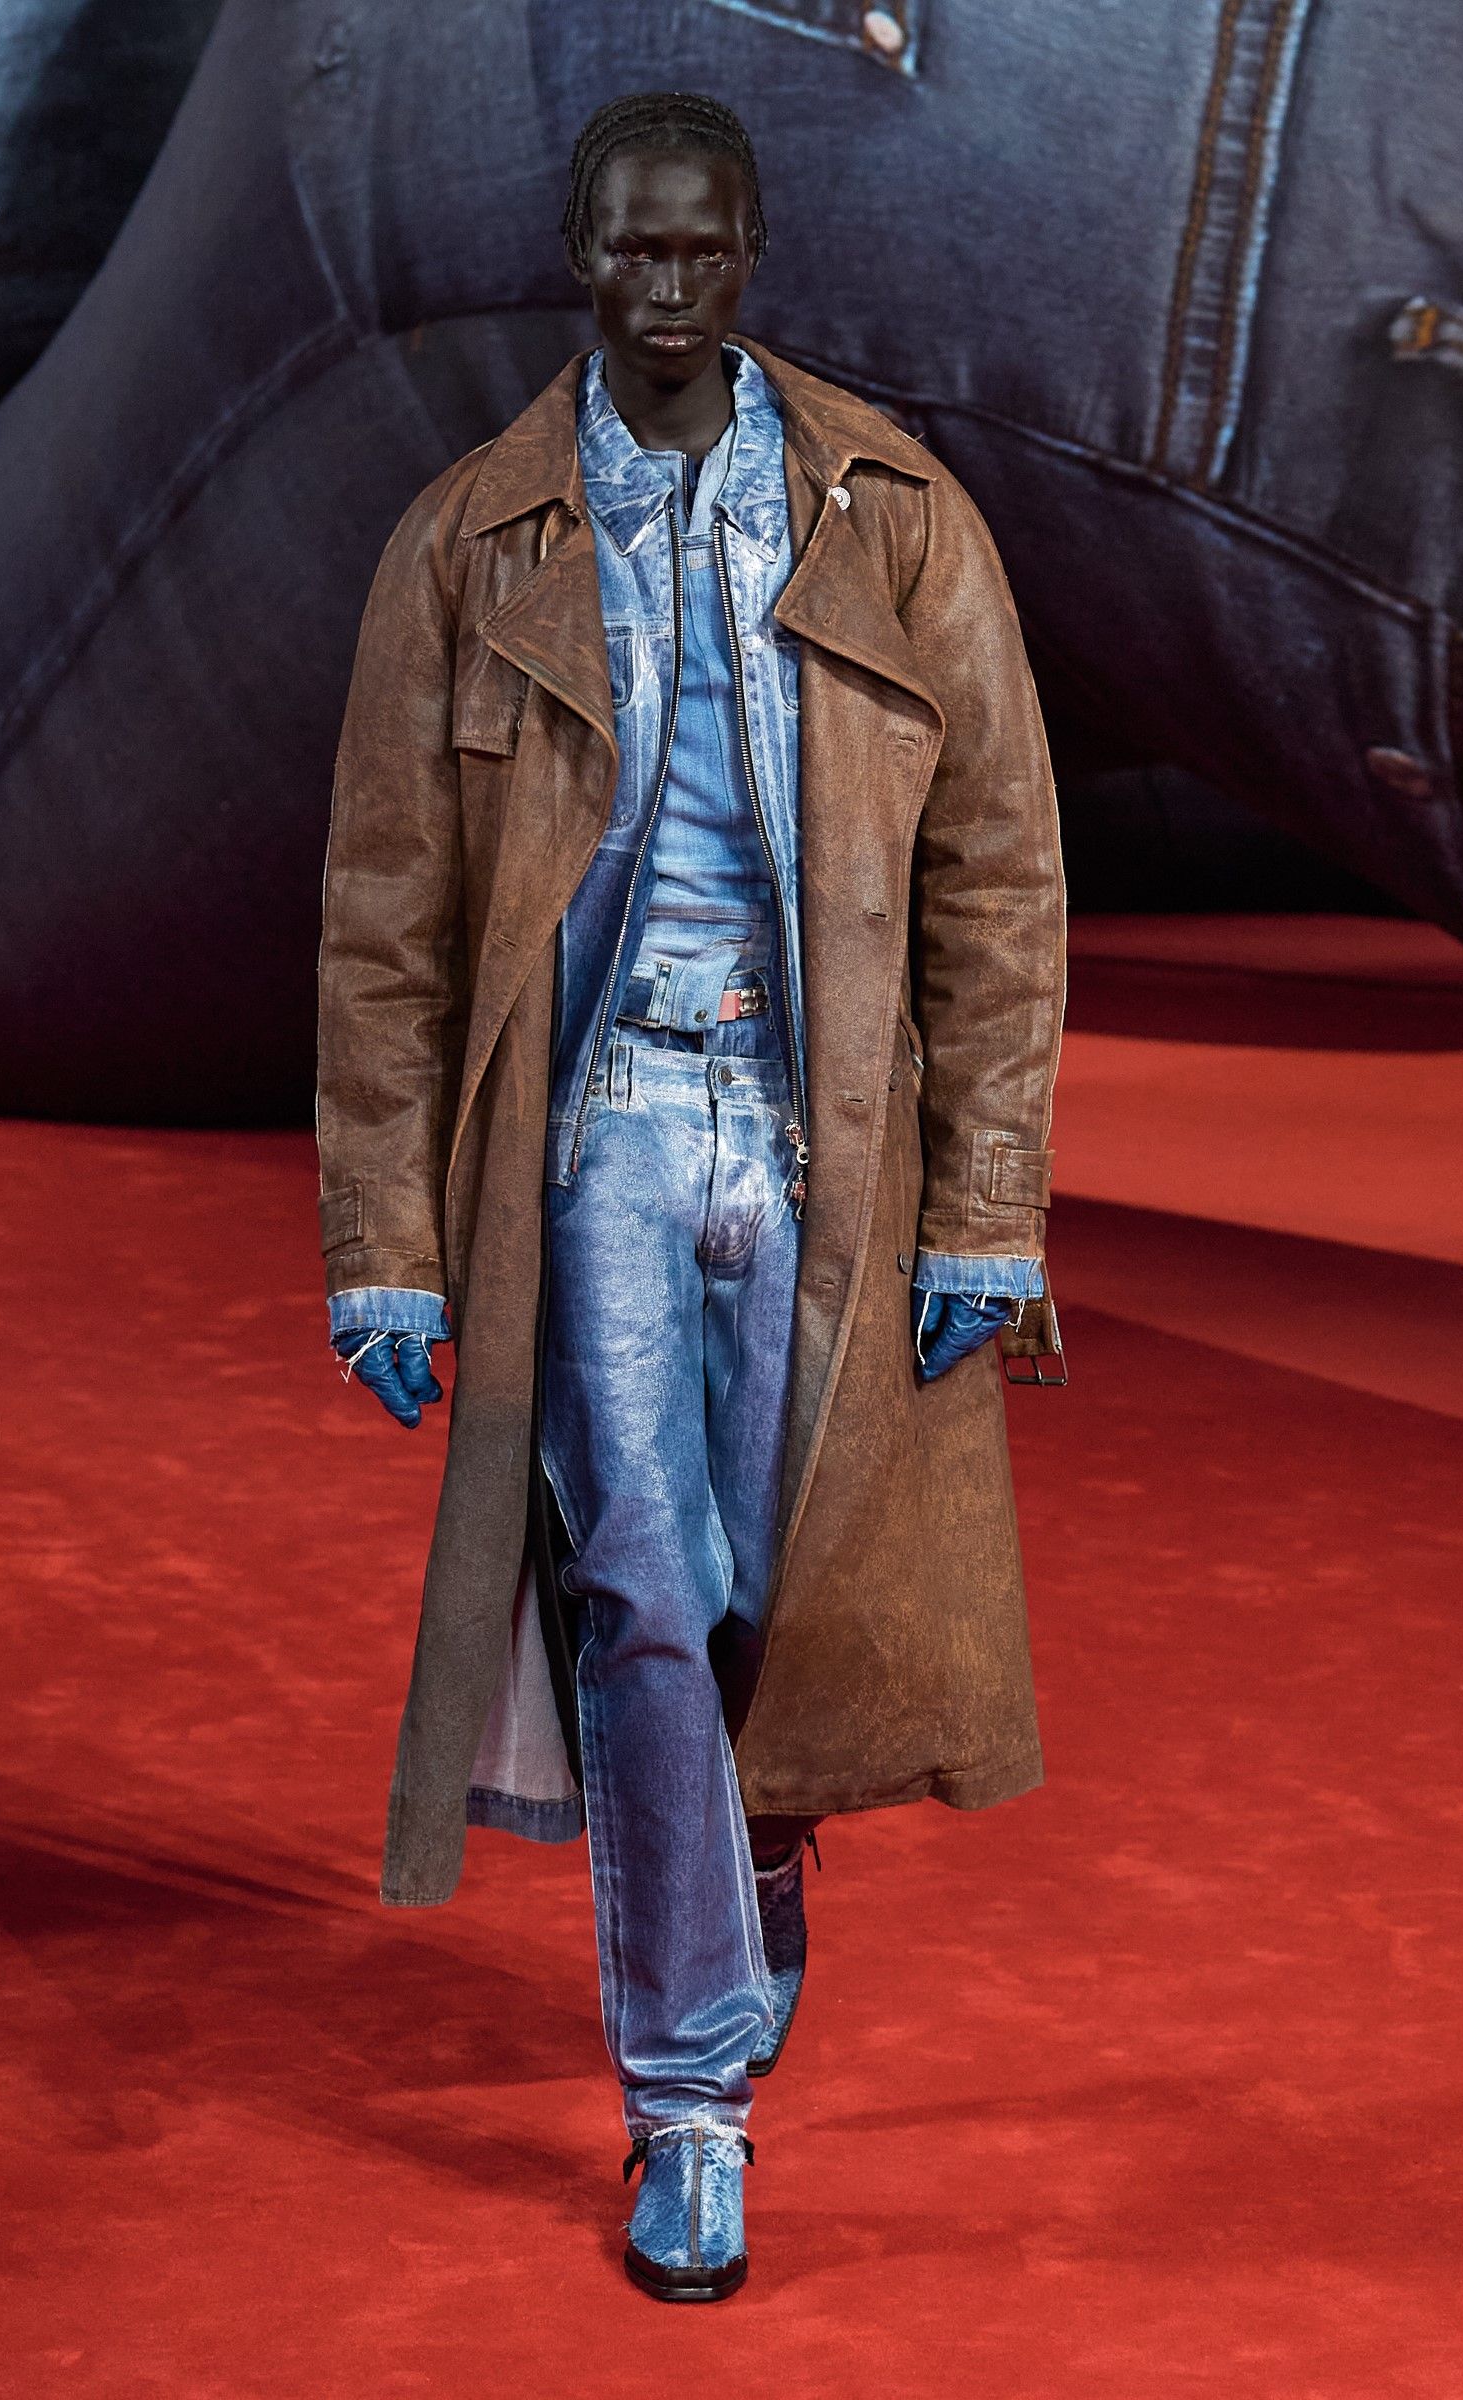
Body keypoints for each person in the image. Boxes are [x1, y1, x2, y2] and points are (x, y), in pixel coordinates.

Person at [315, 89, 1066, 2302]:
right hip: (602, 1132)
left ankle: (750, 1840)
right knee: (635, 1582)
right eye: (633, 248)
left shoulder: (891, 514)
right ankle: (692, 2099)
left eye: (703, 249)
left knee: (773, 1596)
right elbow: (384, 922)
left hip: (831, 1127)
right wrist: (384, 1243)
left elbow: (999, 868)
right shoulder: (471, 541)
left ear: (753, 252)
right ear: (580, 248)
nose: (667, 286)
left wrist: (988, 1200)